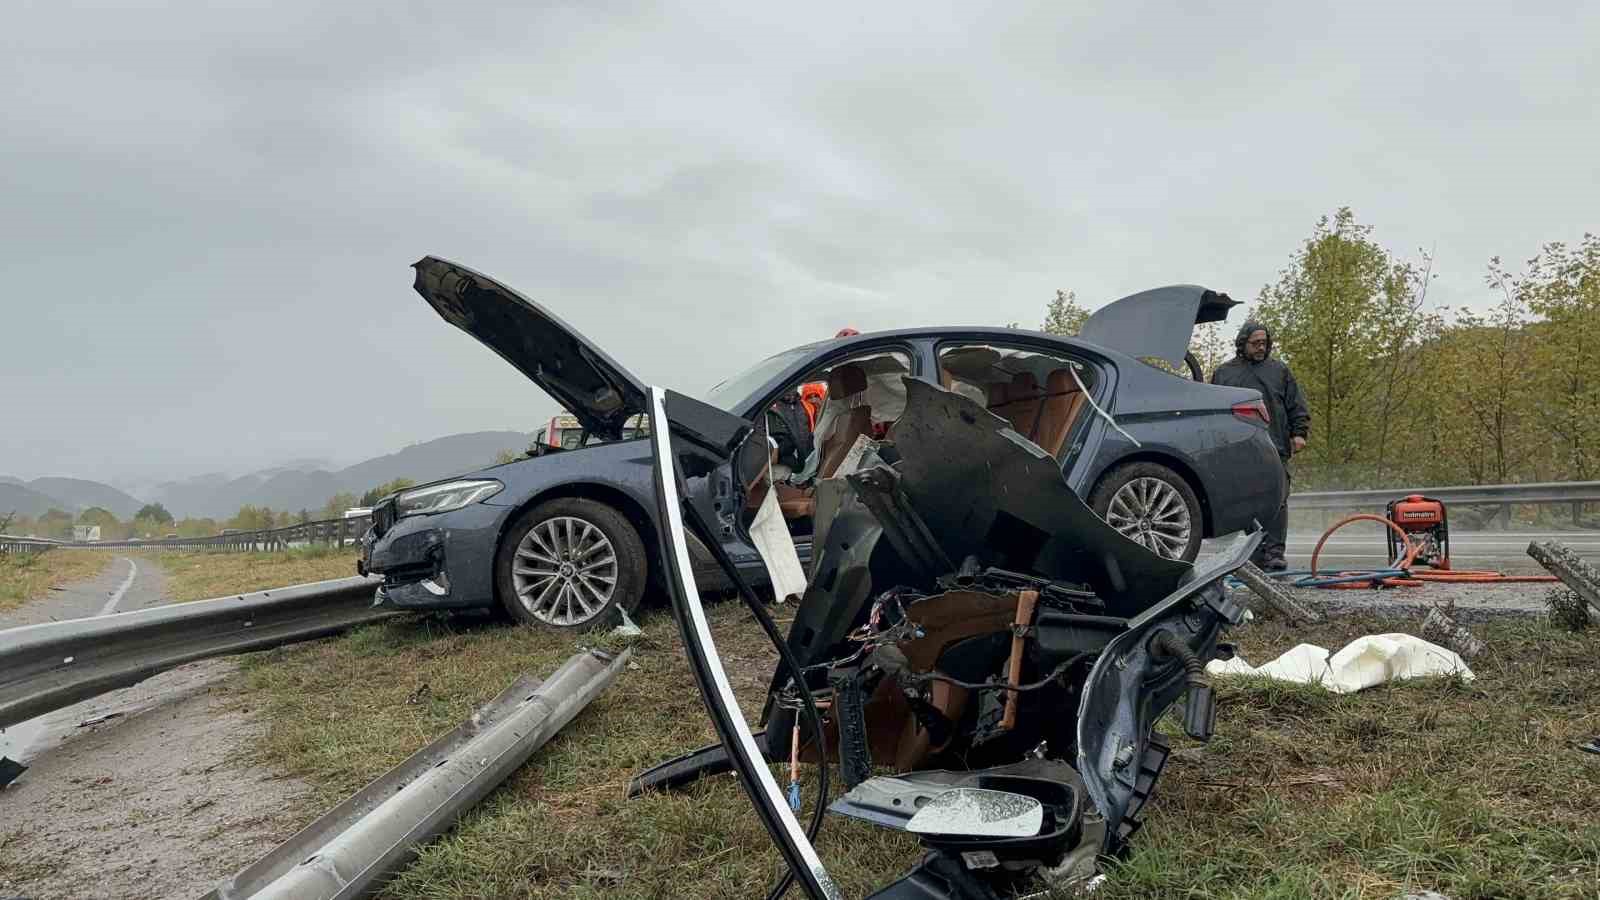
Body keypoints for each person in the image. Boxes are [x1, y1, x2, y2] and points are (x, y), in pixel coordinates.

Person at [1210, 321, 1309, 571]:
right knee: (1246, 500)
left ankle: (1275, 552)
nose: (1261, 347)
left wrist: (1299, 433)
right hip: (1239, 449)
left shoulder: (1279, 371)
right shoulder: (1224, 373)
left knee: (1278, 499)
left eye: (1265, 343)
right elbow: (1214, 411)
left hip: (1274, 445)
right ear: (1243, 343)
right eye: (1256, 343)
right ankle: (1254, 550)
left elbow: (1295, 405)